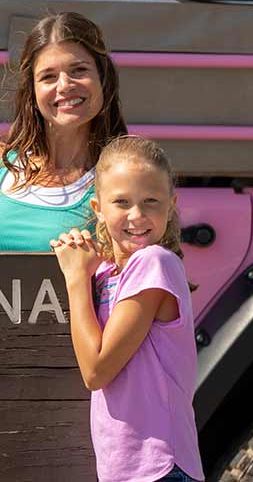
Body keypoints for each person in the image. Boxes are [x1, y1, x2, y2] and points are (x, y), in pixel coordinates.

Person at [51, 136, 202, 482]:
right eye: (122, 202)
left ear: (171, 205)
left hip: (161, 468)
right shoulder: (103, 273)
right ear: (97, 209)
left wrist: (76, 279)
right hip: (123, 471)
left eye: (151, 201)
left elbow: (96, 371)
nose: (137, 215)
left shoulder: (155, 263)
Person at [0, 11, 128, 252]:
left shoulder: (124, 176)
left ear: (103, 78)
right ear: (32, 90)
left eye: (79, 70)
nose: (64, 85)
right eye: (48, 77)